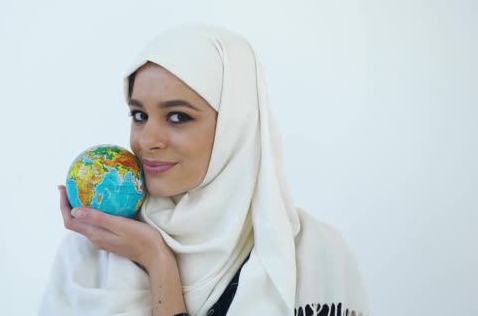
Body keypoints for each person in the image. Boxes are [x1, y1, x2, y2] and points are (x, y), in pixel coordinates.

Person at [39, 26, 369, 316]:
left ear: (236, 126)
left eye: (178, 117)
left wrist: (158, 261)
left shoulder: (313, 254)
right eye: (139, 115)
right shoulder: (93, 248)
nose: (147, 141)